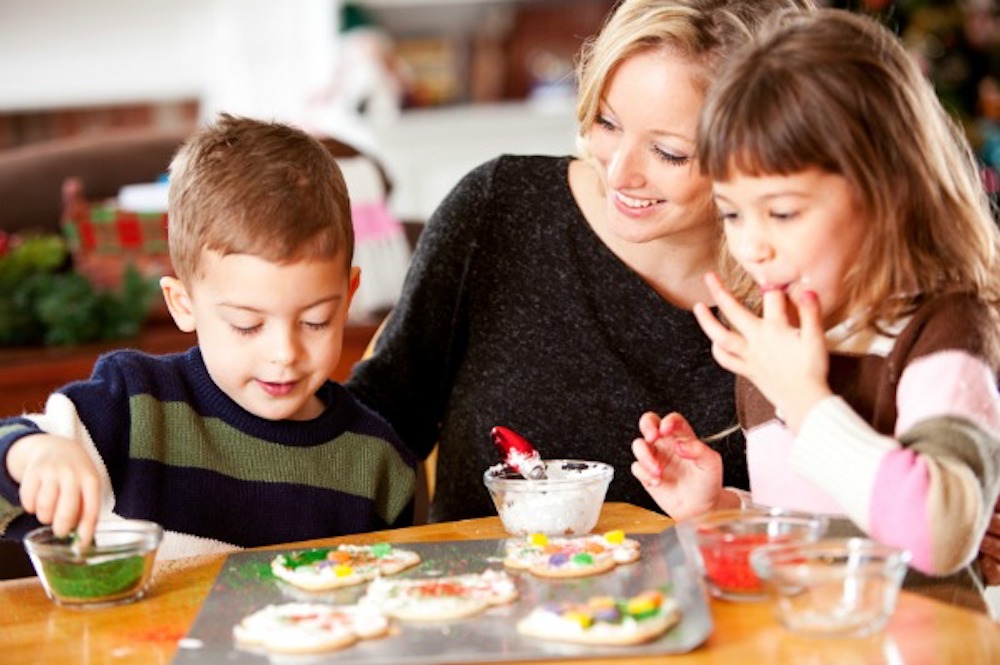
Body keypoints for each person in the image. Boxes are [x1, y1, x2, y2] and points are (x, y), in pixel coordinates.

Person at [347, 0, 816, 523]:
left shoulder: (803, 283)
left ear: (760, 151)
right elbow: (379, 420)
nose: (619, 172)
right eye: (607, 122)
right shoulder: (498, 209)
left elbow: (835, 516)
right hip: (484, 596)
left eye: (669, 152)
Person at [631, 7, 1000, 591]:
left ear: (887, 195)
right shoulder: (779, 339)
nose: (752, 246)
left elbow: (938, 534)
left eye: (782, 212)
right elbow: (820, 532)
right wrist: (720, 507)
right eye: (732, 213)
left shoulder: (944, 330)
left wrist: (803, 398)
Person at [0, 114, 417, 559]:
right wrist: (32, 454)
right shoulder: (133, 407)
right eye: (247, 325)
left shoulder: (378, 463)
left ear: (348, 297)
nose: (283, 354)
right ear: (183, 304)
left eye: (315, 321)